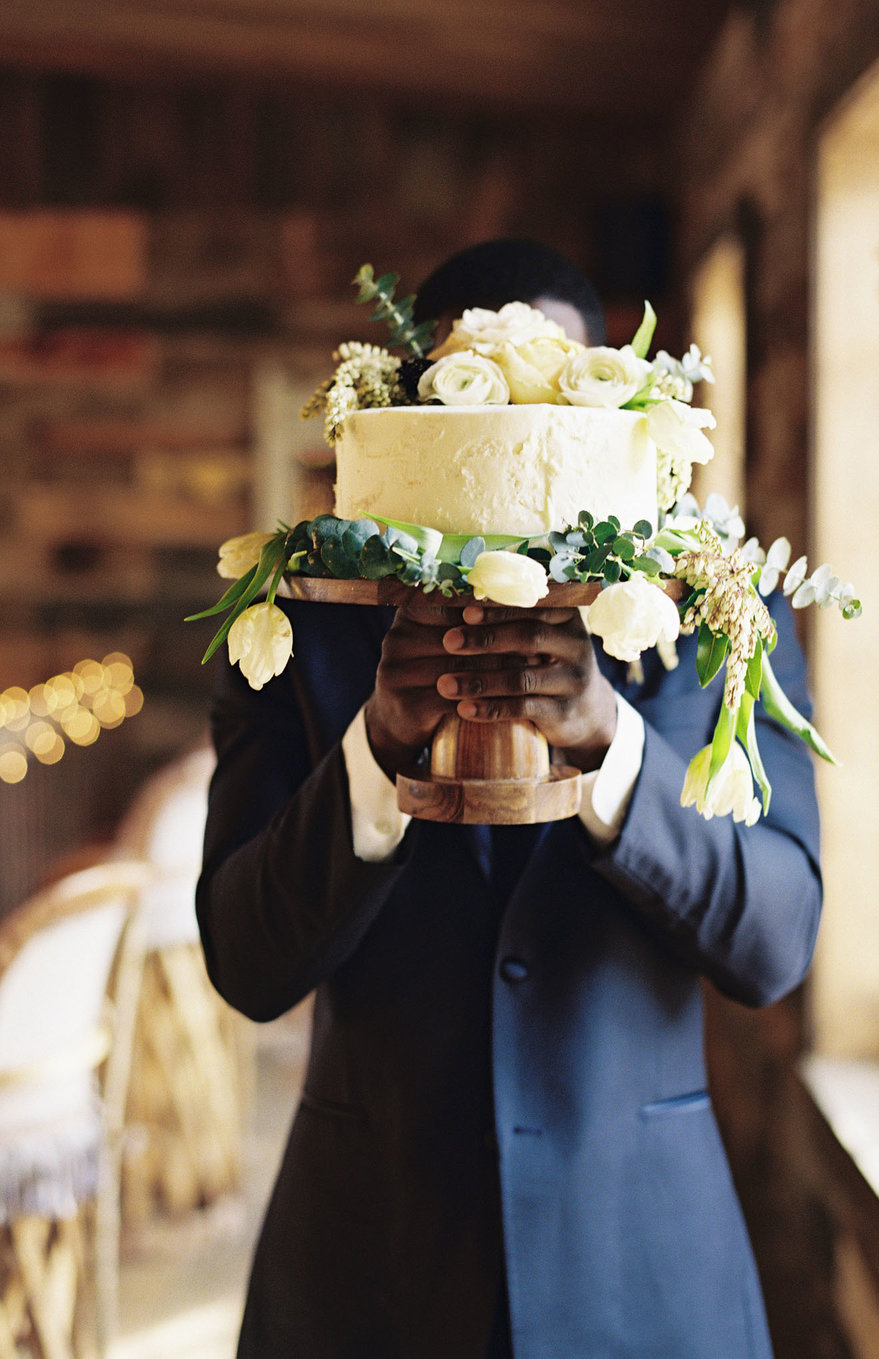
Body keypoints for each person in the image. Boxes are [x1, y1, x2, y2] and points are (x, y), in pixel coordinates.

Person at [196, 239, 822, 1358]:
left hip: (641, 1268)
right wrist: (377, 747)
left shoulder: (713, 619)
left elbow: (774, 941)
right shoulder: (298, 626)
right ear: (408, 420)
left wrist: (612, 748)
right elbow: (244, 963)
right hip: (367, 1266)